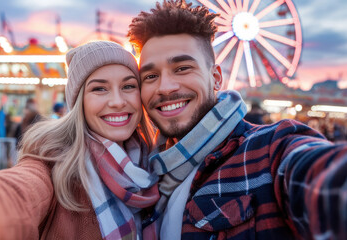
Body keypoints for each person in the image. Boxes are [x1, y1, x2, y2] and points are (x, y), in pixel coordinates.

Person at [128, 0, 347, 239]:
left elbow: (324, 180)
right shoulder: (145, 173)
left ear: (216, 78)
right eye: (150, 76)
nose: (165, 87)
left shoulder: (269, 151)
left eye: (182, 68)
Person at [0, 41, 158, 239]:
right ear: (78, 103)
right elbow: (15, 197)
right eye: (99, 89)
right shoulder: (52, 162)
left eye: (128, 86)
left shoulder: (157, 163)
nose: (117, 101)